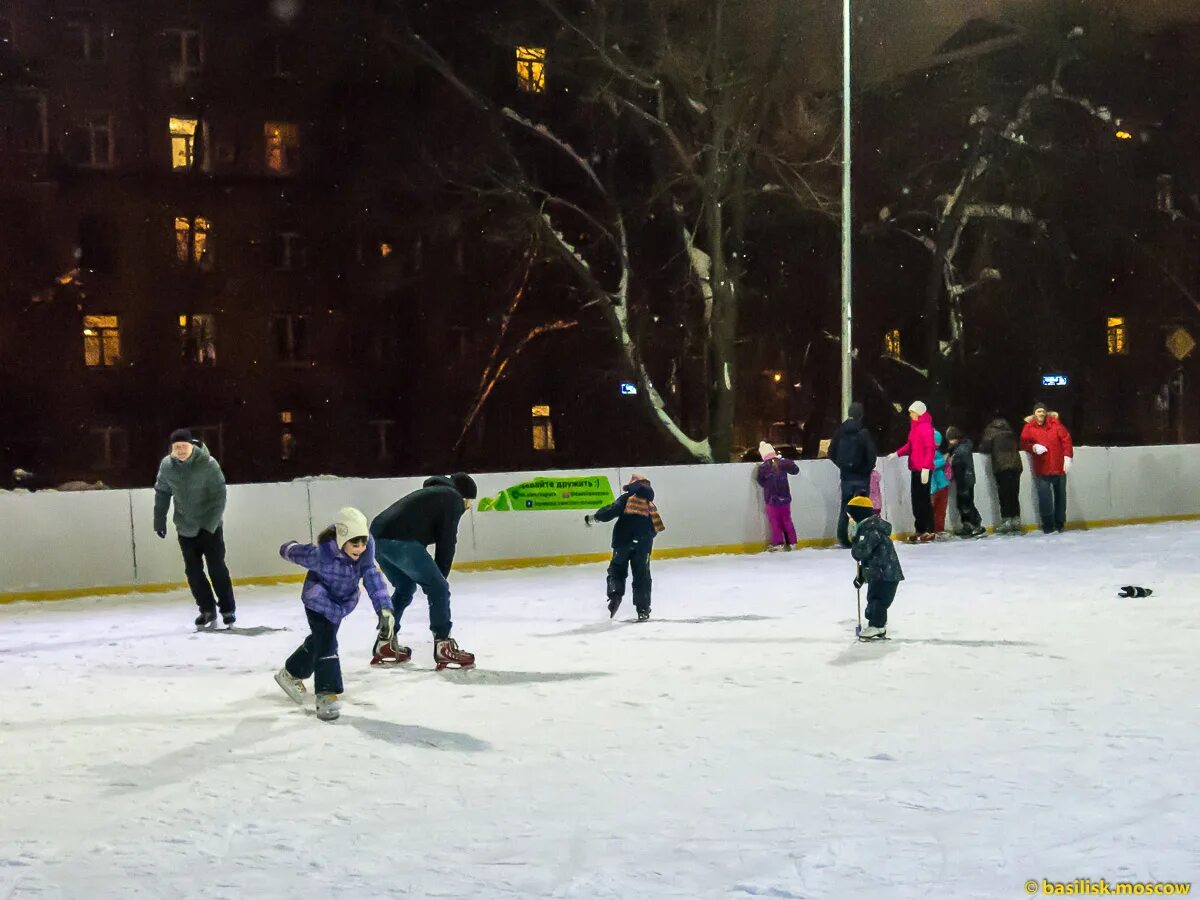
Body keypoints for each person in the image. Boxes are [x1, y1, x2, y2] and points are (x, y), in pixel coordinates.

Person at [274, 507, 392, 722]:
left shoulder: (365, 556)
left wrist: (384, 608)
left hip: (340, 605)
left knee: (321, 640)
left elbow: (373, 578)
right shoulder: (323, 555)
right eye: (354, 544)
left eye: (363, 543)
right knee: (328, 644)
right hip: (317, 601)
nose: (360, 548)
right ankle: (327, 694)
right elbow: (298, 553)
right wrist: (287, 547)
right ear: (341, 540)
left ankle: (290, 673)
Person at [370, 473, 478, 670]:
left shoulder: (433, 494)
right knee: (437, 587)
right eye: (469, 502)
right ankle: (443, 645)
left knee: (405, 587)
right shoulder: (452, 498)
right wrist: (439, 581)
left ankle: (385, 643)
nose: (468, 507)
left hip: (376, 540)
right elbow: (447, 541)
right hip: (400, 541)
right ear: (464, 496)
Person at [153, 428, 236, 628]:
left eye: (184, 446)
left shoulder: (208, 464)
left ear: (192, 446)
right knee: (193, 572)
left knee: (216, 568)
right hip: (185, 527)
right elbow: (162, 492)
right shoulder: (167, 466)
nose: (180, 450)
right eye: (176, 447)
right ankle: (207, 609)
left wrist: (210, 526)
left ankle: (227, 609)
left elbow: (219, 497)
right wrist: (159, 520)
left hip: (211, 527)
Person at [585, 473, 665, 621]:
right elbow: (655, 528)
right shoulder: (650, 504)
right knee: (642, 576)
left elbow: (611, 512)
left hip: (622, 543)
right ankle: (643, 610)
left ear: (632, 487)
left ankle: (615, 595)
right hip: (643, 546)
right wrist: (644, 541)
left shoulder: (626, 499)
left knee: (616, 570)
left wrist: (595, 517)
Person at [847, 495, 904, 640]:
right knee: (874, 598)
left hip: (885, 574)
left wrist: (854, 541)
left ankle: (877, 625)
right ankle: (877, 624)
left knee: (878, 599)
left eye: (851, 515)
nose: (850, 520)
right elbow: (867, 558)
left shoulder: (870, 530)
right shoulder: (869, 528)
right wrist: (861, 575)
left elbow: (861, 552)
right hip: (880, 573)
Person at [828, 402, 879, 548]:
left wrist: (843, 466)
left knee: (846, 506)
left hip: (846, 476)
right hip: (862, 477)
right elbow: (871, 454)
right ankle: (863, 537)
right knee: (863, 508)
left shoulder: (840, 431)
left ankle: (843, 538)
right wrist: (867, 469)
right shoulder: (864, 433)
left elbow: (831, 452)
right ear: (861, 415)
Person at [1020, 401, 1074, 534]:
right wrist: (1033, 447)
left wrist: (1068, 457)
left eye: (1043, 411)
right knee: (1045, 498)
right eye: (1038, 411)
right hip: (1042, 468)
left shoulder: (1056, 425)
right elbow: (1024, 442)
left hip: (1059, 467)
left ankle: (1060, 523)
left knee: (1061, 497)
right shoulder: (1029, 428)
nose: (1041, 414)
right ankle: (1048, 524)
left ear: (1046, 413)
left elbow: (1066, 440)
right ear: (1034, 414)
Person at [890, 401, 936, 543]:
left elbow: (930, 448)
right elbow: (910, 446)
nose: (910, 415)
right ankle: (920, 529)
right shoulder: (914, 428)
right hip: (915, 468)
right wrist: (897, 453)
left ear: (919, 412)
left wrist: (926, 468)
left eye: (912, 412)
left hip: (924, 470)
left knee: (924, 500)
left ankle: (929, 529)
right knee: (916, 500)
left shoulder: (926, 428)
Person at [979, 414, 1024, 534]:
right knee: (1014, 494)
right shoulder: (1010, 431)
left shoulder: (991, 432)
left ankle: (1006, 520)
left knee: (1004, 494)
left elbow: (984, 447)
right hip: (1016, 465)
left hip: (1001, 466)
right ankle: (1016, 520)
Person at [756, 441, 799, 551]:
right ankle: (792, 542)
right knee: (787, 519)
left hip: (771, 499)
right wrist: (783, 460)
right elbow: (795, 470)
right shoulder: (782, 463)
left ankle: (778, 543)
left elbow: (760, 481)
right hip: (785, 497)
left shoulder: (763, 467)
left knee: (775, 521)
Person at [945, 426, 985, 537]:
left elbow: (959, 461)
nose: (950, 442)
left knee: (966, 503)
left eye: (951, 439)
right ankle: (968, 525)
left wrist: (951, 459)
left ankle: (976, 524)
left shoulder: (962, 448)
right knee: (963, 503)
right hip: (962, 479)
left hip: (965, 479)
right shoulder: (959, 448)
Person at [930, 429, 953, 537]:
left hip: (941, 485)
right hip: (933, 486)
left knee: (940, 510)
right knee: (934, 510)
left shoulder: (937, 452)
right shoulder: (927, 452)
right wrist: (943, 461)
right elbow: (930, 465)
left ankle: (939, 530)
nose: (937, 444)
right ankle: (932, 530)